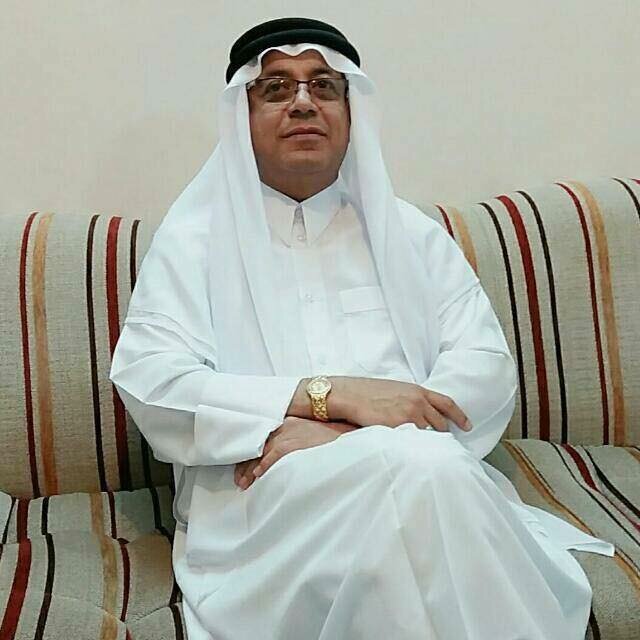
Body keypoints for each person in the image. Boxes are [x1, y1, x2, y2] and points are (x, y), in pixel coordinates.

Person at [110, 17, 614, 640]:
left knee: (421, 477)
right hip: (261, 499)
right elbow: (154, 383)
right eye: (276, 87)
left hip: (430, 478)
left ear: (351, 112)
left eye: (324, 85)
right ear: (242, 115)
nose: (303, 102)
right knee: (424, 476)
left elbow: (485, 367)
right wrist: (331, 395)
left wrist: (345, 432)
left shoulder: (411, 235)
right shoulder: (191, 243)